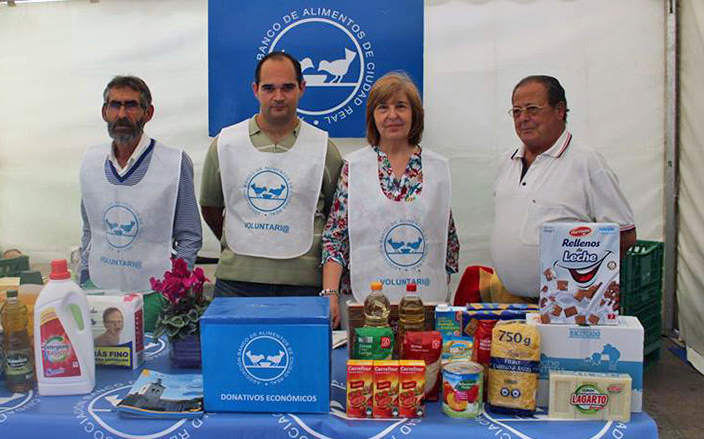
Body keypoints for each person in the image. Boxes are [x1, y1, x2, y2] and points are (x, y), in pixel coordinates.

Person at [321, 72, 460, 328]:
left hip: (422, 306)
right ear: (373, 116)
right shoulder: (355, 167)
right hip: (363, 303)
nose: (392, 115)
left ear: (414, 114)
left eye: (401, 106)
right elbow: (335, 238)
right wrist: (329, 295)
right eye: (383, 107)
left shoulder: (435, 168)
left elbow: (446, 243)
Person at [200, 52, 343, 298]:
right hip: (237, 283)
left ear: (302, 88)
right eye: (269, 88)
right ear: (255, 90)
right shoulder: (225, 144)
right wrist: (243, 238)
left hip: (304, 285)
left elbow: (335, 215)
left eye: (287, 87)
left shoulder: (324, 149)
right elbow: (210, 206)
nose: (278, 97)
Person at [488, 75, 636, 300]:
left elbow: (624, 235)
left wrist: (586, 288)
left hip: (565, 308)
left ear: (559, 110)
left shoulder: (586, 162)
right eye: (516, 111)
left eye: (532, 109)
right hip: (511, 300)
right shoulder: (506, 161)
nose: (523, 118)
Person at [79, 75, 202, 295]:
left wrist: (174, 289)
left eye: (132, 106)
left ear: (148, 113)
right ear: (104, 111)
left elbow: (189, 236)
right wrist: (85, 274)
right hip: (100, 285)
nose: (122, 114)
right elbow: (91, 229)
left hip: (155, 291)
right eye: (115, 105)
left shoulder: (174, 163)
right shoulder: (91, 161)